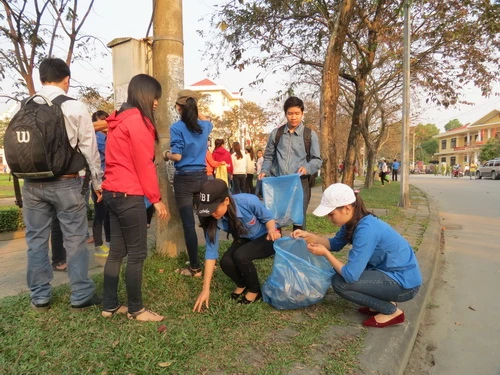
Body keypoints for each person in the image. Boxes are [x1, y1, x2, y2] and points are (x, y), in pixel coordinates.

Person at [21, 57, 103, 311]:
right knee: (75, 239)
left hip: (32, 184)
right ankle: (80, 294)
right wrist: (97, 182)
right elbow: (89, 149)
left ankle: (40, 296)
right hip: (66, 183)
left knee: (35, 239)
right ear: (66, 79)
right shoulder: (75, 107)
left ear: (41, 78)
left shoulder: (25, 106)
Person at [292, 183, 422, 328]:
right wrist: (309, 236)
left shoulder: (366, 230)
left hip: (405, 284)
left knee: (340, 283)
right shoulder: (354, 222)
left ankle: (391, 311)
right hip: (390, 274)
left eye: (331, 214)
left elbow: (350, 275)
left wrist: (325, 254)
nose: (329, 218)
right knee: (340, 274)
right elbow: (335, 244)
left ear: (347, 208)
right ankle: (380, 303)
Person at [102, 74, 169, 322]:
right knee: (137, 254)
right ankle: (136, 309)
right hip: (129, 196)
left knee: (116, 252)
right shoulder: (137, 123)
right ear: (145, 95)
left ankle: (109, 305)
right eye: (155, 98)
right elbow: (144, 164)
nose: (156, 104)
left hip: (112, 193)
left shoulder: (118, 121)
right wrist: (156, 198)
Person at [193, 179, 281, 312]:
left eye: (214, 208)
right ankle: (242, 284)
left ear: (226, 201)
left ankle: (255, 290)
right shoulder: (212, 219)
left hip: (267, 237)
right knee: (226, 262)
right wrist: (206, 289)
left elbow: (268, 219)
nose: (211, 213)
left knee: (240, 256)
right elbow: (211, 253)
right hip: (245, 238)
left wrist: (271, 230)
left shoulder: (248, 201)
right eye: (208, 210)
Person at [164, 89, 212, 277]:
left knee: (189, 225)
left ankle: (195, 267)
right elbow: (207, 118)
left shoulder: (176, 127)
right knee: (206, 221)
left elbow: (177, 155)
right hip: (202, 178)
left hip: (184, 179)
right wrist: (194, 108)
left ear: (179, 107)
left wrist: (165, 154)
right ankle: (210, 261)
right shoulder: (205, 127)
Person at [258, 97, 322, 230]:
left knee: (298, 221)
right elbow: (269, 157)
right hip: (279, 183)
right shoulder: (276, 134)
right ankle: (276, 248)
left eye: (297, 113)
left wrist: (307, 168)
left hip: (300, 183)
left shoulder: (310, 135)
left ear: (302, 113)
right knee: (275, 218)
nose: (294, 117)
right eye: (290, 113)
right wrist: (264, 170)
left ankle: (296, 248)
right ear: (285, 114)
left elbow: (317, 160)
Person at [91, 110, 111, 257]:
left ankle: (109, 241)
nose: (103, 125)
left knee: (109, 212)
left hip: (109, 178)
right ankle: (99, 244)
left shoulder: (108, 136)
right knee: (100, 212)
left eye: (105, 121)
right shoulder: (97, 138)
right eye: (99, 122)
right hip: (99, 179)